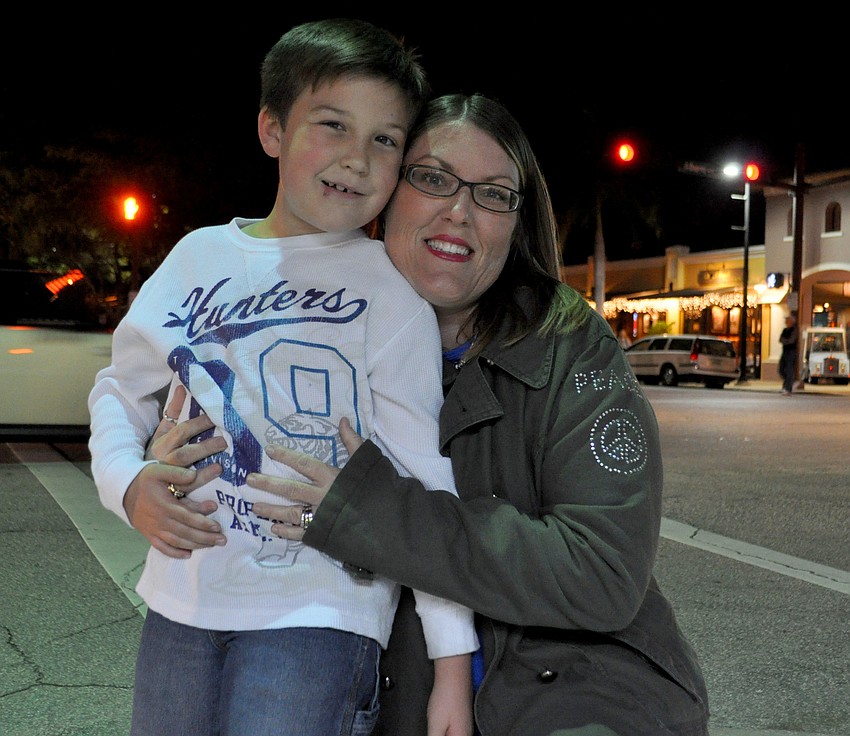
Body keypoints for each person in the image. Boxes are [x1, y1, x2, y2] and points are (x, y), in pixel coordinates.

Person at [239, 92, 712, 735]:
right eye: (432, 178)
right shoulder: (303, 330)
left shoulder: (572, 346)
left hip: (578, 680)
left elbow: (603, 570)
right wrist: (159, 466)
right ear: (387, 193)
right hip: (378, 678)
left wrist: (374, 515)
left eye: (493, 194)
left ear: (517, 222)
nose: (459, 211)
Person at [88, 19, 476, 736]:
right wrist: (128, 483)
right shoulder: (198, 257)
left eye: (385, 139)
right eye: (332, 125)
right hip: (182, 599)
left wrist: (454, 669)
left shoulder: (390, 293)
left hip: (323, 611)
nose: (357, 160)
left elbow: (424, 479)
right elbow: (121, 389)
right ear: (272, 128)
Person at [779, 314, 799, 395]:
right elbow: (780, 339)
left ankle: (788, 388)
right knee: (781, 369)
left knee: (789, 370)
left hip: (791, 352)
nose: (786, 322)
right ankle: (788, 383)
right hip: (785, 351)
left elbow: (792, 340)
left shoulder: (794, 330)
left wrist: (785, 341)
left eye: (787, 320)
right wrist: (786, 341)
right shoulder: (785, 330)